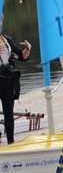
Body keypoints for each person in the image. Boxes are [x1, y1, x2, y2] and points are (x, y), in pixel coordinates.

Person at [0, 13, 31, 144]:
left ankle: (11, 141)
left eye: (0, 19)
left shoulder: (6, 40)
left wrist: (28, 48)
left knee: (8, 112)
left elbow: (22, 56)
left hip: (7, 80)